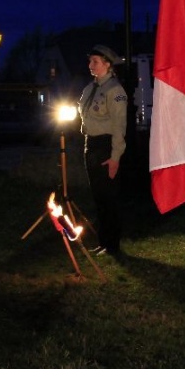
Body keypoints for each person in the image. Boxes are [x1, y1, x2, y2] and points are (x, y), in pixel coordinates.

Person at [78, 44, 127, 256]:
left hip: (106, 146)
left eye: (95, 62)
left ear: (107, 64)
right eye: (90, 61)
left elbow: (119, 126)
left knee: (109, 198)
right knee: (98, 197)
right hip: (91, 144)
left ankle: (112, 245)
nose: (91, 65)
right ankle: (103, 241)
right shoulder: (90, 88)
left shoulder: (114, 91)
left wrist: (115, 157)